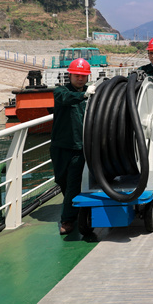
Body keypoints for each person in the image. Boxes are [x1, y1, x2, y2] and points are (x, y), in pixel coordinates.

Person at [50, 58, 96, 235]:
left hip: (80, 147)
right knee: (60, 180)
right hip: (60, 146)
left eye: (83, 76)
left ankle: (67, 220)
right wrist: (83, 96)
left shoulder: (93, 93)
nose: (80, 79)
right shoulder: (61, 92)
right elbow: (65, 99)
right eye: (77, 75)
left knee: (73, 184)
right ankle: (73, 207)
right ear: (70, 74)